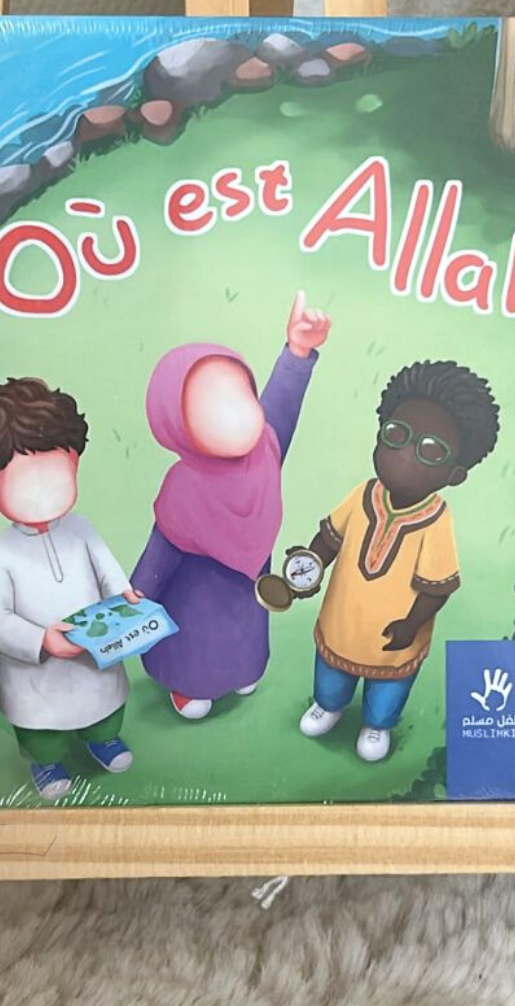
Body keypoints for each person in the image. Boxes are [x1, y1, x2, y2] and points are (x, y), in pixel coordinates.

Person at [131, 291, 331, 719]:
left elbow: (281, 405)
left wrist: (297, 352)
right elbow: (158, 555)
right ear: (178, 426)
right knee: (195, 641)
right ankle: (188, 686)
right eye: (211, 407)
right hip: (196, 600)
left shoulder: (263, 453)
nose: (235, 414)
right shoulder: (183, 490)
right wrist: (137, 597)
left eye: (240, 396)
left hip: (248, 592)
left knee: (246, 634)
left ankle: (243, 670)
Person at [0, 377, 142, 801]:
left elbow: (106, 568)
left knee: (105, 707)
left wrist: (125, 594)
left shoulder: (81, 529)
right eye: (30, 485)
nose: (48, 496)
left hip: (94, 650)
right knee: (42, 730)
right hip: (36, 672)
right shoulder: (0, 558)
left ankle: (103, 740)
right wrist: (41, 640)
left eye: (58, 476)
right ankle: (46, 761)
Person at [295, 360, 500, 762]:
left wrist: (412, 624)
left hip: (396, 636)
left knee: (388, 688)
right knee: (331, 674)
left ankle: (376, 725)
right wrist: (307, 567)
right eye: (396, 434)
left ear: (455, 474)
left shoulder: (436, 520)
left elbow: (437, 587)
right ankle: (329, 706)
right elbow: (329, 539)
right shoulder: (362, 494)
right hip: (341, 620)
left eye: (430, 450)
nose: (405, 453)